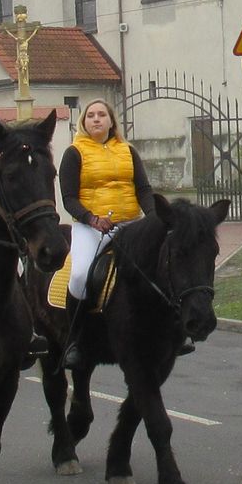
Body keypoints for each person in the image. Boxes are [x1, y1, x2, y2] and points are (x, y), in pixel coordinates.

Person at [58, 98, 156, 369]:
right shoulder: (74, 153)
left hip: (130, 223)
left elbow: (143, 189)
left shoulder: (128, 150)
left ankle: (171, 328)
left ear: (111, 120)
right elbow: (68, 197)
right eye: (91, 115)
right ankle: (75, 340)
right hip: (91, 226)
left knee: (159, 266)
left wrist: (153, 217)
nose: (96, 119)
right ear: (84, 122)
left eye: (102, 114)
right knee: (80, 275)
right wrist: (91, 218)